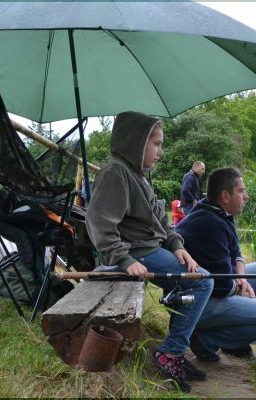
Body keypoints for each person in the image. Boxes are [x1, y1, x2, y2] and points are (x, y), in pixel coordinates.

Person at [85, 111, 213, 393]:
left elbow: (161, 220)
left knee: (195, 280)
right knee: (203, 282)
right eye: (156, 144)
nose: (161, 152)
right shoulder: (116, 172)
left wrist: (177, 246)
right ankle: (171, 353)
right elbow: (98, 222)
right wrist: (124, 259)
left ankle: (175, 351)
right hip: (138, 254)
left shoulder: (140, 176)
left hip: (153, 249)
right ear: (136, 142)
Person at [176, 167, 256, 362]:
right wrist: (240, 289)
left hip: (214, 288)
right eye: (241, 191)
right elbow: (223, 286)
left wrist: (242, 279)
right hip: (197, 303)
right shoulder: (211, 224)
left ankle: (237, 341)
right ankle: (206, 339)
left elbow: (237, 255)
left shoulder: (218, 212)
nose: (246, 196)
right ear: (225, 196)